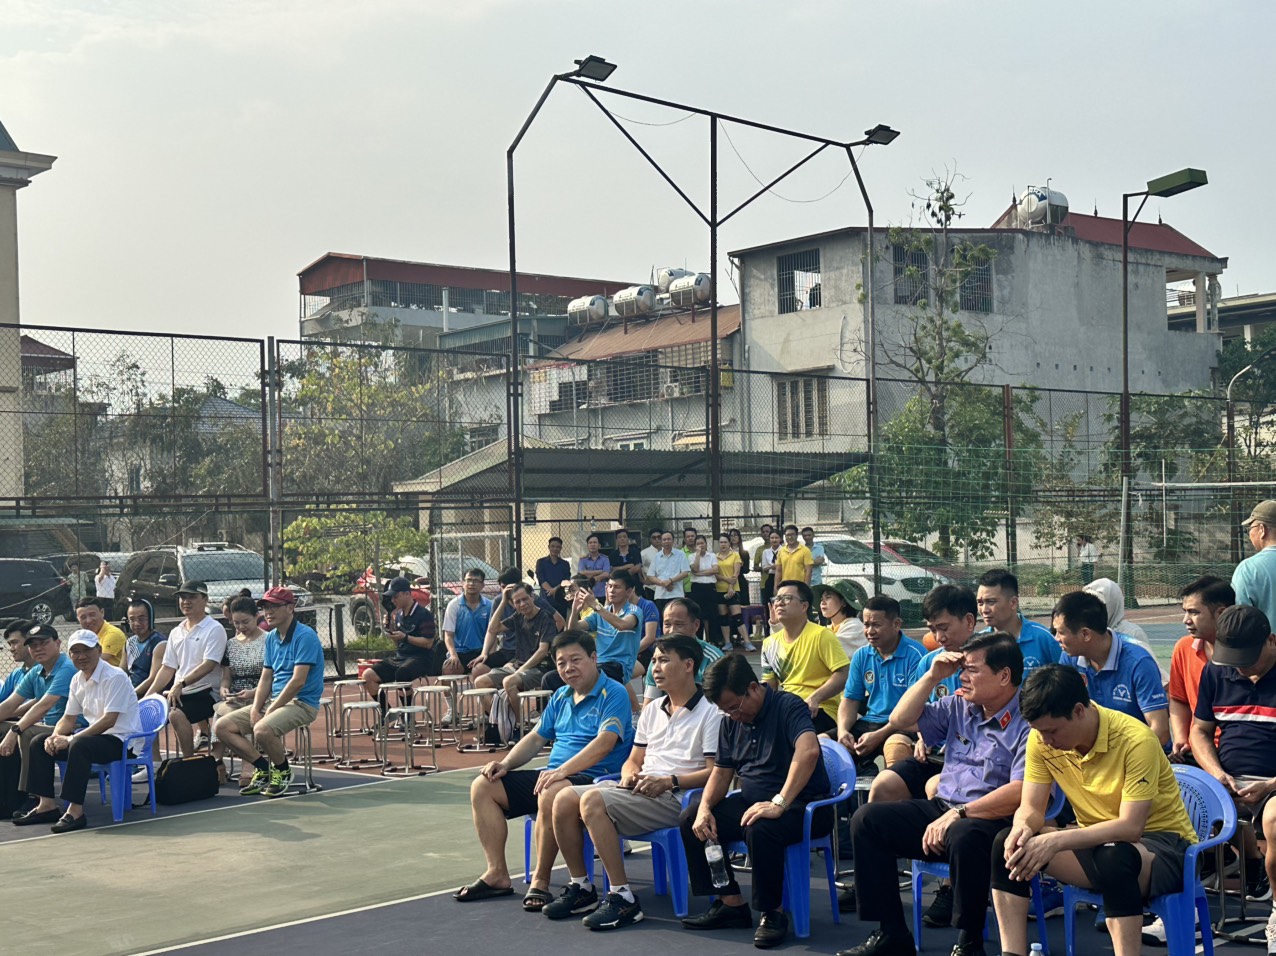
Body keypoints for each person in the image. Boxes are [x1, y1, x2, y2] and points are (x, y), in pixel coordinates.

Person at [840, 634, 1030, 956]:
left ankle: (969, 941)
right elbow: (900, 720)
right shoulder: (959, 705)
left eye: (972, 670)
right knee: (868, 820)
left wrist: (960, 813)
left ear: (1004, 676)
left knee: (965, 834)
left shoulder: (1028, 719)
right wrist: (932, 676)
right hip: (945, 809)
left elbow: (1021, 790)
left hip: (993, 820)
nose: (962, 676)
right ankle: (891, 933)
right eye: (962, 669)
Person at [990, 665, 1196, 956]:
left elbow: (1130, 828)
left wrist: (1055, 839)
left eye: (1051, 731)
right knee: (1008, 845)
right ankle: (1011, 953)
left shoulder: (1136, 740)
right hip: (1095, 843)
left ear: (1078, 711)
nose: (1045, 740)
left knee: (1115, 856)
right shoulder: (1041, 738)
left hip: (1163, 848)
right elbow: (1031, 808)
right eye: (1039, 731)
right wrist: (1022, 827)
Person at [547, 634, 719, 929]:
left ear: (689, 665)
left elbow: (716, 772)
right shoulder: (652, 709)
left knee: (592, 800)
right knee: (562, 797)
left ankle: (622, 897)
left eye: (664, 660)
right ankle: (582, 887)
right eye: (654, 661)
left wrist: (669, 782)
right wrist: (628, 774)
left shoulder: (711, 711)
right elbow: (634, 759)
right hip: (641, 791)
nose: (655, 668)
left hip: (678, 798)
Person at [453, 631, 633, 907]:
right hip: (555, 776)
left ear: (593, 658)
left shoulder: (614, 693)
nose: (568, 668)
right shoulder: (561, 696)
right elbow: (536, 738)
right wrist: (505, 764)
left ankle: (541, 880)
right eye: (561, 663)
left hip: (594, 779)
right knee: (484, 786)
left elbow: (604, 744)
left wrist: (563, 771)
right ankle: (497, 874)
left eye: (576, 660)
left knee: (550, 790)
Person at [679, 654, 832, 949]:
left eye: (734, 707)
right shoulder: (730, 721)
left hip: (802, 806)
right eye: (725, 711)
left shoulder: (788, 706)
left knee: (760, 828)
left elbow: (809, 751)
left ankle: (772, 913)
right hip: (753, 802)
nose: (733, 715)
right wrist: (705, 808)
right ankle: (730, 903)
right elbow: (721, 773)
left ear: (752, 687)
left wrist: (779, 803)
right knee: (691, 819)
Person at [1188, 604, 1276, 912]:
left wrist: (1270, 785)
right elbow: (1199, 731)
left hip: (1272, 784)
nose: (1239, 668)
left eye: (1246, 660)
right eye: (1232, 660)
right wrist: (1216, 774)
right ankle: (1185, 906)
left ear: (1271, 641)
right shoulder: (1216, 671)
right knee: (1170, 799)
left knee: (1274, 819)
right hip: (1225, 777)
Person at [17, 630, 142, 833]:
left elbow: (109, 721)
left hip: (122, 741)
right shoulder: (77, 679)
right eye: (76, 651)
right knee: (39, 742)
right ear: (70, 654)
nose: (81, 656)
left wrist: (70, 739)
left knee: (79, 744)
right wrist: (55, 736)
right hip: (94, 739)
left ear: (98, 650)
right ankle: (46, 805)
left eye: (87, 650)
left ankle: (75, 812)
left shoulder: (115, 676)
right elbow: (68, 718)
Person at [874, 585, 981, 804]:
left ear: (969, 621)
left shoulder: (993, 659)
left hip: (977, 760)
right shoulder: (930, 662)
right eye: (932, 629)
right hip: (935, 754)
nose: (939, 637)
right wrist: (924, 735)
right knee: (883, 786)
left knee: (936, 787)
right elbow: (902, 719)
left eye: (944, 628)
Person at [217, 587, 324, 798]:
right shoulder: (272, 637)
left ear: (291, 608)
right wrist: (256, 708)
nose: (268, 611)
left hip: (301, 703)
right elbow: (266, 678)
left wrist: (270, 709)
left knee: (262, 730)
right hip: (275, 701)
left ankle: (283, 771)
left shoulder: (306, 636)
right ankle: (264, 769)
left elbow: (298, 681)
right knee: (222, 727)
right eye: (265, 607)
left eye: (274, 606)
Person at [1052, 589, 1168, 745]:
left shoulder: (1138, 662)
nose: (1056, 638)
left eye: (1060, 632)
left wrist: (1121, 756)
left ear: (1085, 634)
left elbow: (1160, 731)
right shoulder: (1069, 657)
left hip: (1137, 751)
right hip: (1097, 749)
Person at [840, 595, 927, 773]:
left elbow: (913, 710)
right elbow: (850, 700)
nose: (869, 631)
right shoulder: (861, 655)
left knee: (895, 748)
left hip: (904, 725)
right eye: (866, 625)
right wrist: (843, 731)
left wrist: (879, 736)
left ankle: (890, 789)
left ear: (896, 624)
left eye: (876, 625)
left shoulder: (917, 655)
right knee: (824, 744)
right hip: (870, 722)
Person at [1, 624, 78, 823]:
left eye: (43, 643)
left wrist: (14, 730)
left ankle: (33, 796)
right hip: (48, 727)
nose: (38, 648)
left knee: (25, 732)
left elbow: (43, 706)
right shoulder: (36, 671)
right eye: (33, 645)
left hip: (72, 729)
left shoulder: (66, 668)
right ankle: (7, 795)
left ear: (58, 643)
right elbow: (10, 705)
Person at [147, 580, 228, 757]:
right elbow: (167, 668)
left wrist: (180, 684)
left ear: (205, 599)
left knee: (176, 715)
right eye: (183, 597)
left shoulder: (215, 629)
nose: (186, 601)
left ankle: (189, 762)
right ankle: (154, 763)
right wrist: (149, 695)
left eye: (192, 597)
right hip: (180, 693)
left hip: (207, 693)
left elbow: (209, 665)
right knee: (149, 711)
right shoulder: (176, 631)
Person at [761, 580, 849, 735]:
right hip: (786, 708)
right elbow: (769, 685)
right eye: (777, 599)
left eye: (787, 598)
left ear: (804, 606)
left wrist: (815, 698)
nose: (779, 603)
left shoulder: (822, 635)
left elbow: (843, 673)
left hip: (819, 710)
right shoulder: (769, 644)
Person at [1168, 575, 1235, 762]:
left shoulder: (1248, 654)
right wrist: (1181, 737)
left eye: (1194, 612)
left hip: (1235, 751)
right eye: (1185, 612)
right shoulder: (1183, 648)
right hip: (1198, 749)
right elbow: (1178, 699)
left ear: (1221, 613)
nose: (1186, 620)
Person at [559, 570, 641, 709]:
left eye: (617, 587)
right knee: (551, 678)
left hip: (619, 666)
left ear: (628, 592)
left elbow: (622, 625)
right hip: (597, 664)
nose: (612, 590)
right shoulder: (601, 613)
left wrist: (596, 606)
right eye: (610, 586)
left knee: (590, 674)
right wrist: (574, 611)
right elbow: (573, 630)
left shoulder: (634, 611)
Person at [475, 582, 556, 716]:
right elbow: (493, 629)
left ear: (532, 597)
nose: (522, 604)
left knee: (509, 682)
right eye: (517, 602)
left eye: (525, 599)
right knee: (480, 682)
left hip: (541, 668)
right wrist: (503, 601)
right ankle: (502, 720)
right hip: (518, 666)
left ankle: (520, 724)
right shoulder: (518, 617)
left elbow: (542, 651)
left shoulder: (545, 617)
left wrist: (521, 669)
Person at [213, 595, 267, 787]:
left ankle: (248, 765)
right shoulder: (231, 644)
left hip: (261, 694)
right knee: (220, 714)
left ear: (257, 616)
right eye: (236, 623)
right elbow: (227, 677)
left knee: (238, 716)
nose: (241, 627)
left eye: (245, 622)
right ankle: (217, 762)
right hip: (236, 695)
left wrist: (253, 693)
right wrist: (224, 688)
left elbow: (272, 677)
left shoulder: (268, 640)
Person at [363, 576, 439, 706]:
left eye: (395, 596)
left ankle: (407, 713)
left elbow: (428, 643)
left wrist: (405, 637)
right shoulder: (398, 615)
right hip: (400, 657)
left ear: (406, 593)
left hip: (420, 658)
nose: (393, 600)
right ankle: (386, 712)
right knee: (367, 675)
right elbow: (399, 644)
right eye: (392, 597)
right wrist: (391, 630)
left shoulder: (423, 614)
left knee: (402, 674)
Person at [1084, 576, 1168, 684]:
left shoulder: (1132, 633)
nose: (1093, 610)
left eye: (1099, 605)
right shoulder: (1083, 635)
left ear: (1113, 604)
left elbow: (1156, 677)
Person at [976, 568, 1059, 674]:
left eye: (991, 601)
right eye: (980, 603)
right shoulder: (979, 643)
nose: (984, 610)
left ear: (1013, 603)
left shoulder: (1045, 639)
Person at [643, 598, 725, 706]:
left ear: (696, 625)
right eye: (667, 624)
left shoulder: (712, 660)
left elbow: (721, 707)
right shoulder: (658, 659)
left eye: (679, 624)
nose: (672, 631)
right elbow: (649, 703)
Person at [0, 620, 35, 817]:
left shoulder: (46, 670)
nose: (11, 649)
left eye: (14, 642)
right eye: (9, 644)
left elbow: (36, 706)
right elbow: (4, 704)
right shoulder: (17, 674)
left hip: (36, 725)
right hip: (17, 722)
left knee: (8, 734)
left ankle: (17, 799)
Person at [442, 568, 493, 677]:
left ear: (482, 585)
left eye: (476, 581)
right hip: (459, 652)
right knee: (449, 669)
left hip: (481, 652)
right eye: (468, 580)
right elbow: (448, 635)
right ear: (463, 583)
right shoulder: (453, 605)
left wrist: (489, 656)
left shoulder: (490, 606)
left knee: (480, 671)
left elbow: (493, 634)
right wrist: (453, 655)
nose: (471, 584)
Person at [1235, 500, 1276, 628]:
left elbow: (1240, 618)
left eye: (1250, 529)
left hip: (1265, 641)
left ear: (1262, 529)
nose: (1249, 535)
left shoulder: (1248, 569)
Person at [713, 533, 749, 650]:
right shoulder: (714, 557)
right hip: (719, 590)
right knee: (723, 617)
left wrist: (730, 587)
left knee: (737, 617)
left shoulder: (735, 555)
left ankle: (747, 642)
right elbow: (715, 574)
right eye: (721, 542)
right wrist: (726, 580)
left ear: (729, 543)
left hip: (733, 590)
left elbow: (736, 573)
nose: (723, 544)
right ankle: (728, 643)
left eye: (725, 542)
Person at [813, 579, 865, 657]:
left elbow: (829, 648)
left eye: (828, 597)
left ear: (843, 602)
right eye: (821, 599)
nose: (823, 602)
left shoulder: (855, 627)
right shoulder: (830, 628)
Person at [687, 535, 722, 647]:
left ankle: (712, 640)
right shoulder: (692, 556)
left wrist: (700, 573)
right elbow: (695, 569)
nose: (701, 545)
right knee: (698, 614)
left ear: (706, 544)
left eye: (702, 543)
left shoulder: (712, 555)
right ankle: (698, 641)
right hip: (697, 587)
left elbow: (715, 570)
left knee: (712, 614)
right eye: (698, 544)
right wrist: (697, 554)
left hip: (710, 587)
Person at [74, 596, 127, 669]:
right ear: (78, 619)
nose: (88, 620)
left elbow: (96, 663)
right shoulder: (84, 635)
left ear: (102, 612)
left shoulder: (113, 633)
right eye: (83, 617)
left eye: (92, 615)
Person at [124, 598, 165, 691]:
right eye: (132, 619)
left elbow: (153, 679)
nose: (137, 623)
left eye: (141, 619)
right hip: (131, 691)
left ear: (150, 618)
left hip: (150, 694)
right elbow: (122, 672)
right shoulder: (129, 642)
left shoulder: (160, 643)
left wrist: (131, 695)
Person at [648, 531, 691, 617]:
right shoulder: (657, 556)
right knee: (662, 620)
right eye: (664, 539)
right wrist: (663, 583)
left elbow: (685, 572)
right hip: (660, 595)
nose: (666, 541)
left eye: (669, 539)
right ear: (661, 541)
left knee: (677, 618)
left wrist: (670, 581)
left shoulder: (680, 554)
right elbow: (650, 575)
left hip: (676, 594)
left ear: (673, 541)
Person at [536, 536, 573, 617]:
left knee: (561, 621)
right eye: (552, 546)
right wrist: (551, 591)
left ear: (561, 548)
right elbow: (541, 579)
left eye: (558, 547)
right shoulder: (541, 562)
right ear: (548, 547)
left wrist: (555, 590)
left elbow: (566, 579)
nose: (555, 549)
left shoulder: (565, 564)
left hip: (561, 598)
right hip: (546, 598)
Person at [578, 534, 611, 600]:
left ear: (599, 545)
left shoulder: (605, 559)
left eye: (595, 542)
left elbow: (606, 574)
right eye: (590, 543)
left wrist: (593, 579)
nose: (592, 544)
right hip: (587, 593)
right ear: (587, 546)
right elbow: (582, 573)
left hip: (602, 593)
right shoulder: (582, 560)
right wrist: (600, 571)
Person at [728, 528, 752, 606]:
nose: (733, 538)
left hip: (740, 579)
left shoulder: (744, 553)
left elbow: (746, 570)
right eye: (731, 536)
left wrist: (740, 566)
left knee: (743, 602)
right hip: (728, 579)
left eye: (735, 535)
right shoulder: (726, 552)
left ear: (739, 537)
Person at [759, 530, 782, 607]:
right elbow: (765, 568)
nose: (774, 540)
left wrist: (772, 566)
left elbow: (783, 566)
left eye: (776, 538)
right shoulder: (766, 552)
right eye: (772, 538)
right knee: (769, 602)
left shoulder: (784, 550)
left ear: (780, 539)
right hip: (771, 577)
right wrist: (773, 566)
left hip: (782, 577)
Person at [640, 529, 664, 601]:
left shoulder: (667, 551)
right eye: (654, 537)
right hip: (651, 587)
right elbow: (639, 568)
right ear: (650, 539)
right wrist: (643, 581)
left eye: (659, 537)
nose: (657, 539)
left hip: (665, 586)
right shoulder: (644, 553)